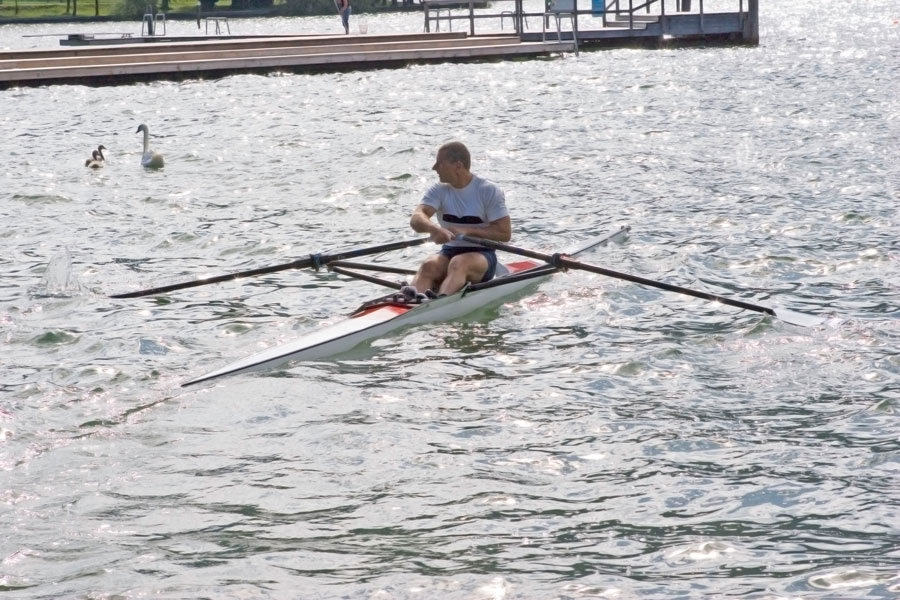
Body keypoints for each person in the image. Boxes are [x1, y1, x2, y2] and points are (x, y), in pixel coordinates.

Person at [402, 141, 511, 300]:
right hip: (449, 251)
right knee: (428, 265)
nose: (434, 168)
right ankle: (411, 303)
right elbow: (417, 218)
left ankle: (439, 303)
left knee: (458, 263)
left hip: (483, 254)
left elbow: (505, 233)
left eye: (440, 163)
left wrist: (466, 231)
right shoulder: (439, 190)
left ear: (458, 166)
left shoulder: (488, 191)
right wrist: (435, 229)